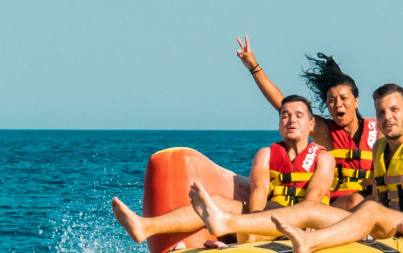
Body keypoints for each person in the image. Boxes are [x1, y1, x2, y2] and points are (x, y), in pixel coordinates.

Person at [190, 84, 403, 253]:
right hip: (387, 226)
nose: (387, 117)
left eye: (394, 110)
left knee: (366, 209)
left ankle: (309, 242)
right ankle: (230, 228)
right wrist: (341, 218)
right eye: (381, 111)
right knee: (311, 210)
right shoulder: (380, 146)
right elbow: (379, 198)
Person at [111, 95, 334, 244]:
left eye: (298, 115)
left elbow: (313, 199)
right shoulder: (266, 155)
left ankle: (241, 236)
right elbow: (258, 194)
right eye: (285, 115)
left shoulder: (324, 158)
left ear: (311, 124)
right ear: (278, 125)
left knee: (281, 211)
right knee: (215, 201)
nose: (291, 120)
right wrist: (252, 229)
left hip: (305, 224)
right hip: (268, 218)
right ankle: (145, 226)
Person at [236, 35, 376, 209]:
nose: (337, 104)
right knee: (356, 200)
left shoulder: (378, 130)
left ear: (356, 101)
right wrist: (253, 66)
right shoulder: (324, 130)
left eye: (343, 98)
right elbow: (282, 103)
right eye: (331, 100)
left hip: (372, 202)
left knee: (367, 201)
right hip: (335, 206)